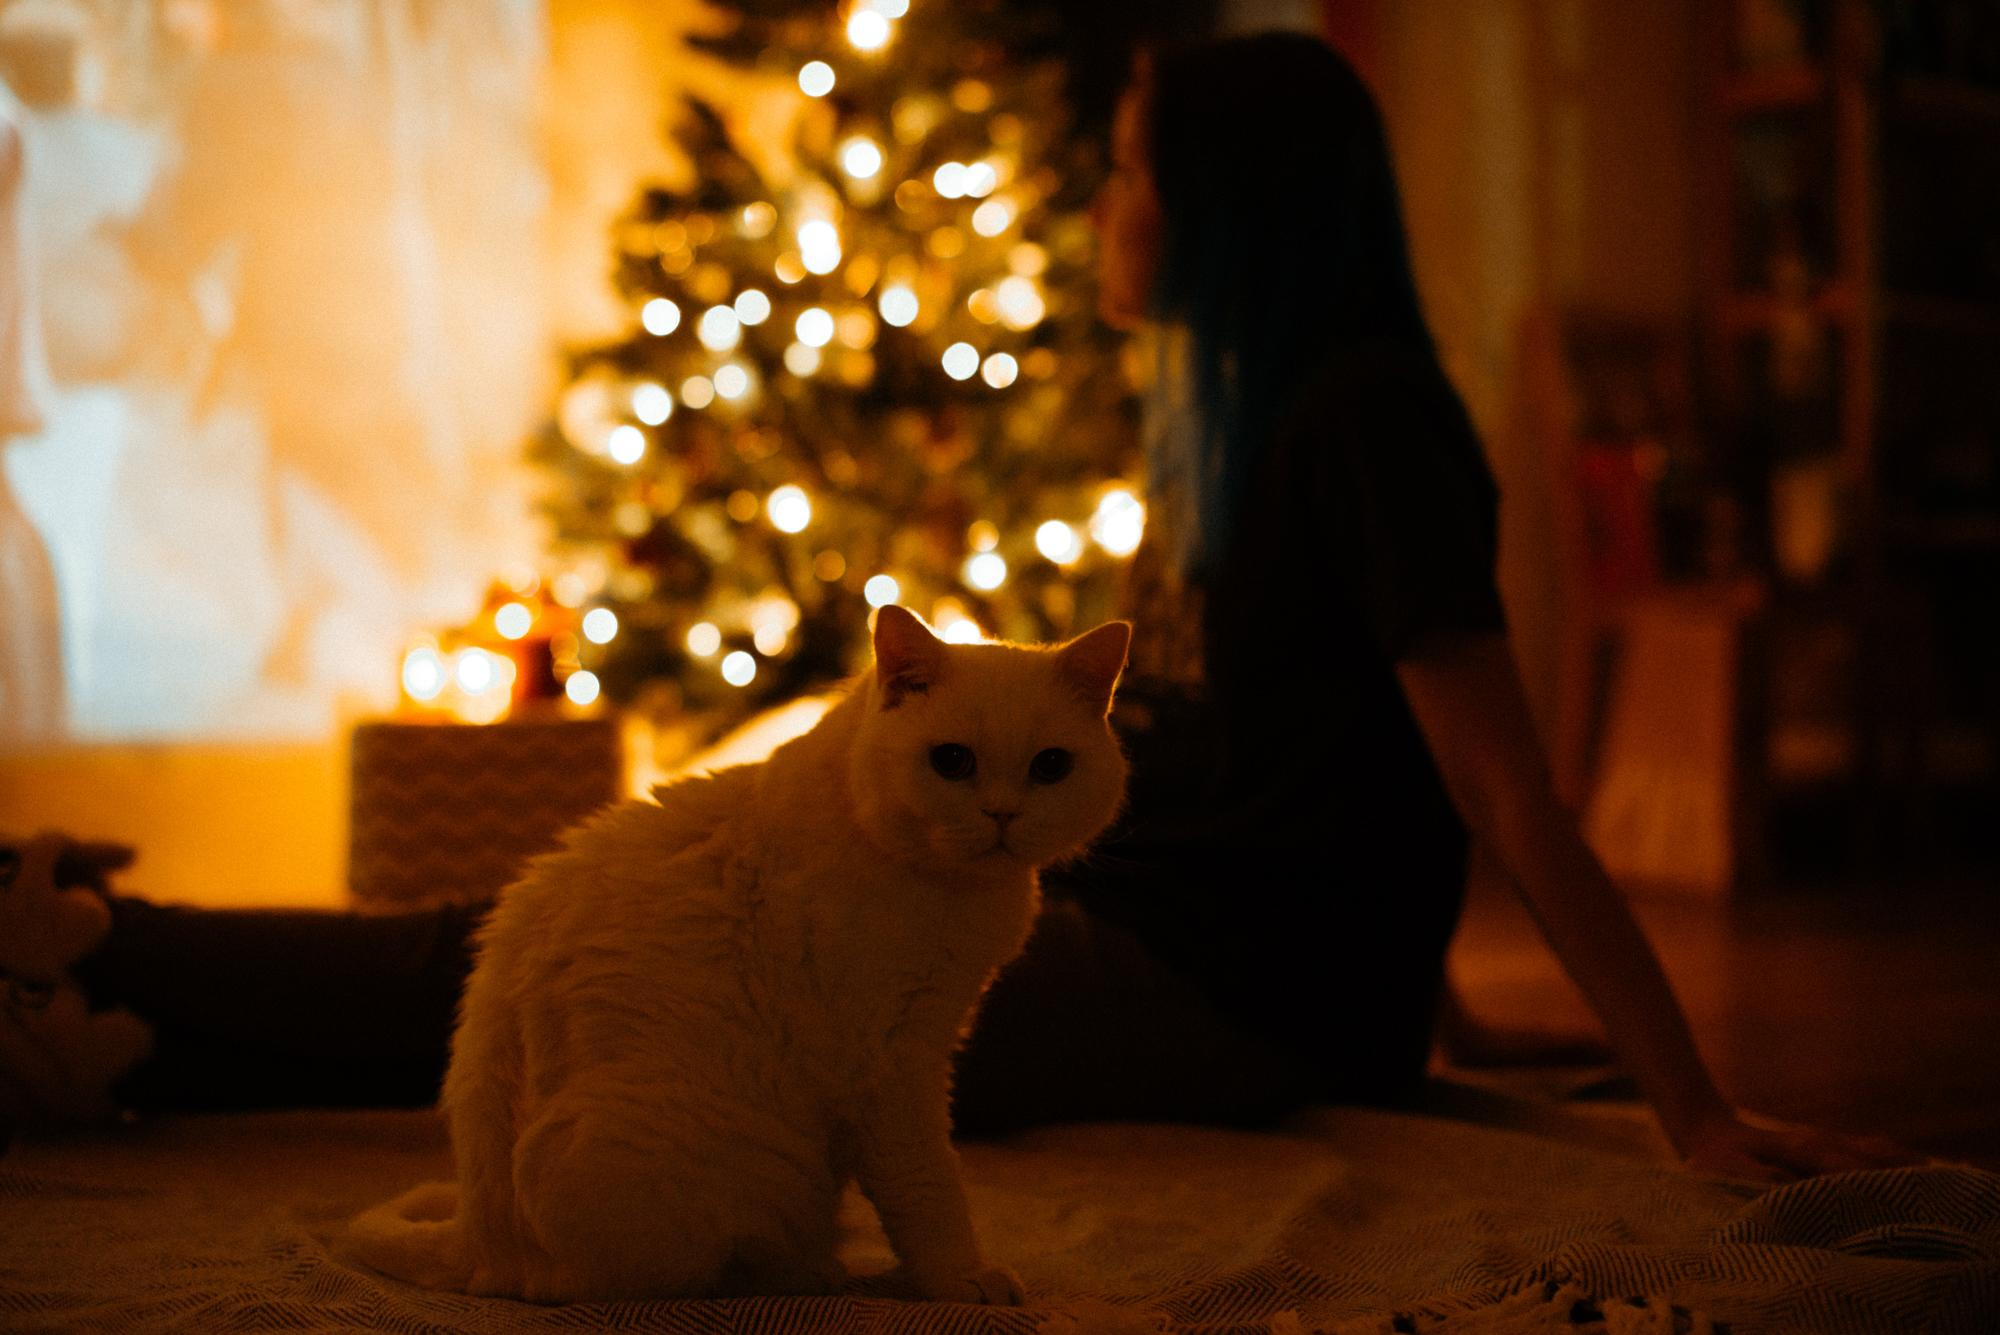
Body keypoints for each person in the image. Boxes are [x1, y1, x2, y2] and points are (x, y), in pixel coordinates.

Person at [1, 32, 1913, 1182]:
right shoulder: (1242, 426)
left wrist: (1693, 1117)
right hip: (1153, 935)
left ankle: (99, 946)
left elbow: (1497, 792)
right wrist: (1440, 1019)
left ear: (1226, 217)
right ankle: (95, 1008)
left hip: (1199, 994)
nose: (1105, 206)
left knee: (618, 980)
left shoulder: (1368, 423)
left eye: (1128, 173)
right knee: (582, 929)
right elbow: (1325, 774)